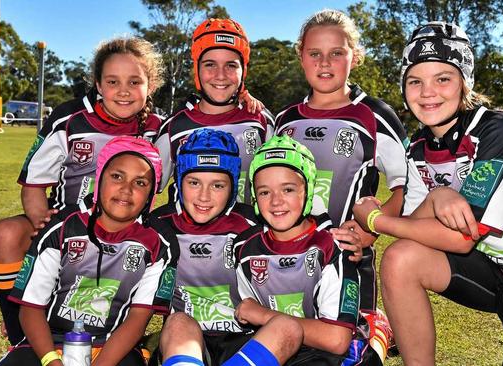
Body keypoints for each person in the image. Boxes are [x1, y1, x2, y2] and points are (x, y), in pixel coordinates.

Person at [353, 21, 503, 365]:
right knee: (401, 259)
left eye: (443, 78)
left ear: (465, 81)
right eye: (415, 80)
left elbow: (464, 237)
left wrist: (374, 220)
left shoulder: (500, 130)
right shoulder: (418, 148)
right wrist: (436, 197)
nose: (427, 91)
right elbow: (421, 231)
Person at [0, 37, 165, 346]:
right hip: (67, 225)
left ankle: (124, 331)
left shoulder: (158, 129)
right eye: (113, 81)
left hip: (125, 235)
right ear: (97, 83)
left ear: (150, 86)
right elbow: (33, 186)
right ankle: (19, 335)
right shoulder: (69, 119)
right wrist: (47, 228)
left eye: (134, 81)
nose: (123, 90)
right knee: (6, 233)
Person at [274, 8, 407, 359]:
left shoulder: (376, 116)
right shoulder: (284, 120)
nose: (325, 63)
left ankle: (377, 331)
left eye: (337, 53)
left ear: (355, 56)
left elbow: (404, 188)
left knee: (346, 353)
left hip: (349, 262)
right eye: (315, 53)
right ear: (301, 55)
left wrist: (371, 233)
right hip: (290, 262)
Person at [0, 136, 179, 366]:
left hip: (111, 347)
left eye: (140, 183)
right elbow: (31, 308)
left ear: (151, 194)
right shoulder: (61, 227)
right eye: (117, 176)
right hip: (49, 344)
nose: (126, 189)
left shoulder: (160, 242)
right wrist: (51, 360)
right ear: (100, 177)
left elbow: (138, 318)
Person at [151, 129, 303, 366]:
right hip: (186, 340)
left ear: (233, 186)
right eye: (194, 182)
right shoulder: (158, 225)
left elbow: (305, 233)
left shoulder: (255, 224)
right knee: (179, 321)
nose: (204, 196)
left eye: (218, 186)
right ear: (179, 181)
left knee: (287, 327)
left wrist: (341, 235)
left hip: (247, 340)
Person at [232, 135, 375, 365]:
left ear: (308, 191)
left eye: (287, 189)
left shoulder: (335, 246)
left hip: (330, 357)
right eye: (264, 192)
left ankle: (378, 332)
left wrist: (263, 315)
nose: (276, 201)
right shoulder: (245, 248)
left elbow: (337, 339)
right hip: (279, 350)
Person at [154, 18, 274, 205]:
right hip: (185, 235)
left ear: (244, 70)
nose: (220, 75)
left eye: (231, 65)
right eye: (210, 64)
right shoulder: (174, 128)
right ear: (197, 69)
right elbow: (146, 188)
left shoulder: (261, 121)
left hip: (249, 234)